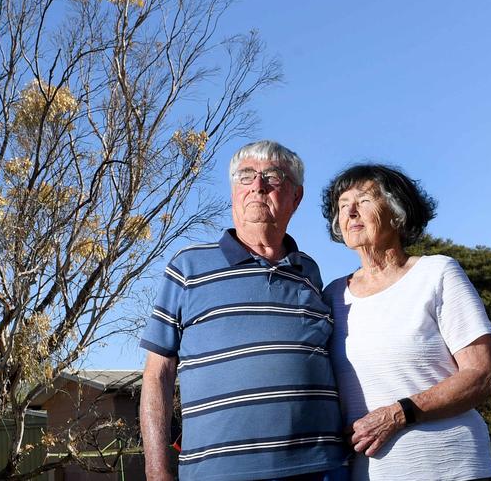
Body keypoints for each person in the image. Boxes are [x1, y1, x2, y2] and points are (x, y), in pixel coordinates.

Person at [140, 141, 346, 481]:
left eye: (272, 176)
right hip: (219, 472)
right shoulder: (188, 266)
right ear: (234, 191)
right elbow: (157, 373)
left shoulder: (309, 271)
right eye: (245, 176)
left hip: (321, 467)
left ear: (296, 197)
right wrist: (157, 472)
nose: (257, 185)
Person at [321, 164, 491, 481]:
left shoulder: (437, 273)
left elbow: (481, 376)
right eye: (342, 204)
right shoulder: (332, 295)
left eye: (363, 200)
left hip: (454, 469)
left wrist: (398, 414)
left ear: (397, 211)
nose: (350, 212)